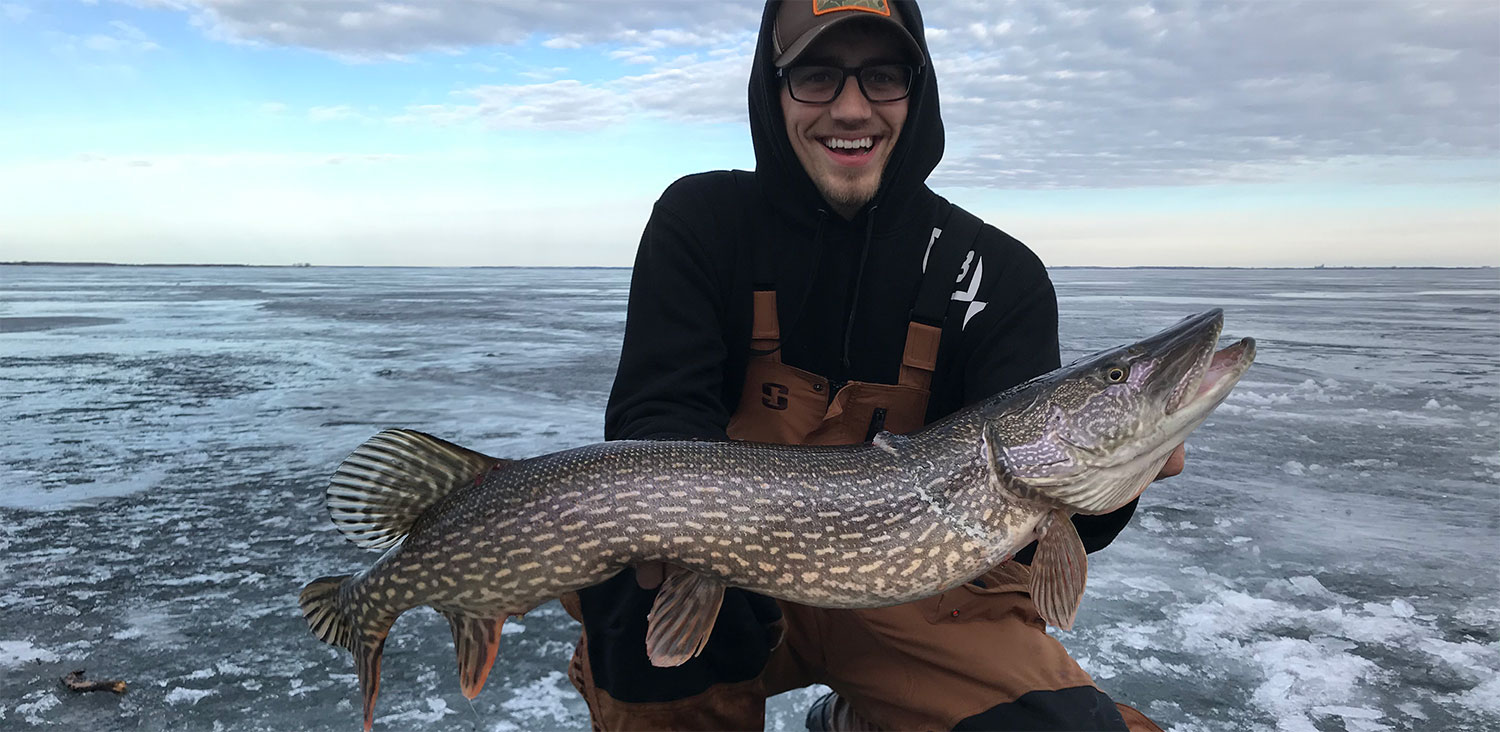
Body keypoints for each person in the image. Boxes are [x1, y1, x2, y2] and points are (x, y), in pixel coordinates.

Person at [561, 2, 1180, 730]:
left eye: (883, 76)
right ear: (775, 88)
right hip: (725, 579)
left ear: (918, 91)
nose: (851, 109)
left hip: (920, 593)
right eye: (818, 76)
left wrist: (1120, 473)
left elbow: (1047, 524)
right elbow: (654, 422)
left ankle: (860, 719)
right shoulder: (703, 222)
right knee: (629, 590)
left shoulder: (999, 276)